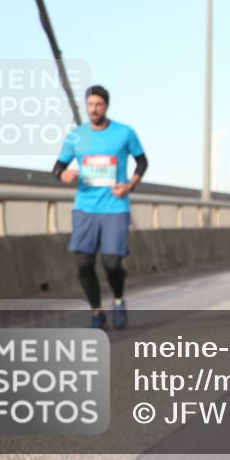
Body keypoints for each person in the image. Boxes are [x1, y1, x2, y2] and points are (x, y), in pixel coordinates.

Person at [52, 85, 147, 329]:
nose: (94, 109)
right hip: (85, 208)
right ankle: (96, 312)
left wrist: (129, 185)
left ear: (106, 106)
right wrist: (65, 176)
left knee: (112, 263)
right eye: (90, 105)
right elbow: (57, 169)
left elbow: (142, 162)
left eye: (99, 105)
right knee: (84, 263)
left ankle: (117, 299)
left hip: (115, 207)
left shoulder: (124, 133)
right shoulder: (76, 136)